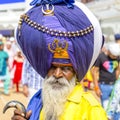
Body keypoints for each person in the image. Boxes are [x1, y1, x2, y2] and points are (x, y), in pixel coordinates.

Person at [11, 0, 107, 119]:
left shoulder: (90, 108)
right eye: (53, 67)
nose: (57, 74)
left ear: (75, 72)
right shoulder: (38, 100)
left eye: (66, 69)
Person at [92, 42, 120, 110]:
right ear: (109, 52)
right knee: (105, 108)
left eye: (116, 56)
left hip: (114, 85)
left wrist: (117, 84)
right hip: (103, 86)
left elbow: (117, 70)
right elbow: (94, 72)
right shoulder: (101, 57)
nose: (115, 57)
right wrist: (96, 87)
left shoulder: (117, 57)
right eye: (113, 56)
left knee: (116, 108)